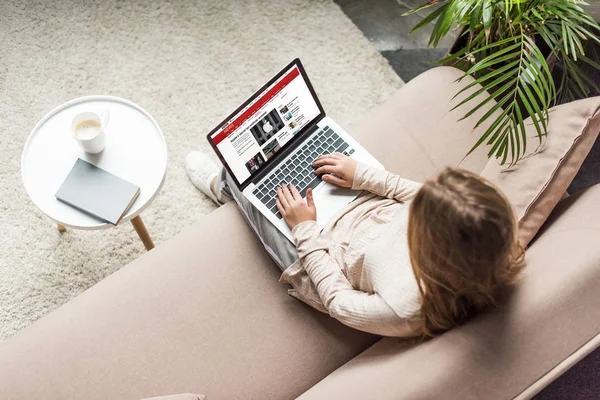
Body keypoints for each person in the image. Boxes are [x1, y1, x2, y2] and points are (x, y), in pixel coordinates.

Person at [185, 151, 524, 338]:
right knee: (309, 150)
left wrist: (305, 230)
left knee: (247, 179)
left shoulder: (402, 309)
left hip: (323, 257)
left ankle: (224, 189)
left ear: (427, 243)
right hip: (365, 208)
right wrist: (362, 174)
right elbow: (423, 195)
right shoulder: (484, 230)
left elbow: (337, 300)